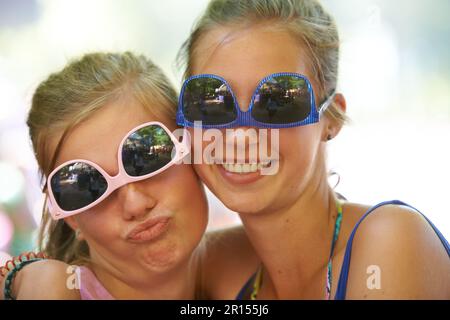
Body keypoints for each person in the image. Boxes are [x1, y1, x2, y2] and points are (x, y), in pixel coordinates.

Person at [176, 0, 450, 299]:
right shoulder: (216, 267)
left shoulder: (390, 241)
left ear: (331, 117)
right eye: (211, 102)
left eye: (277, 102)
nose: (241, 137)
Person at [0, 52, 210, 299]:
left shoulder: (247, 264)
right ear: (71, 218)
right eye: (85, 185)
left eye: (148, 156)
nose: (135, 204)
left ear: (191, 147)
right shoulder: (54, 290)